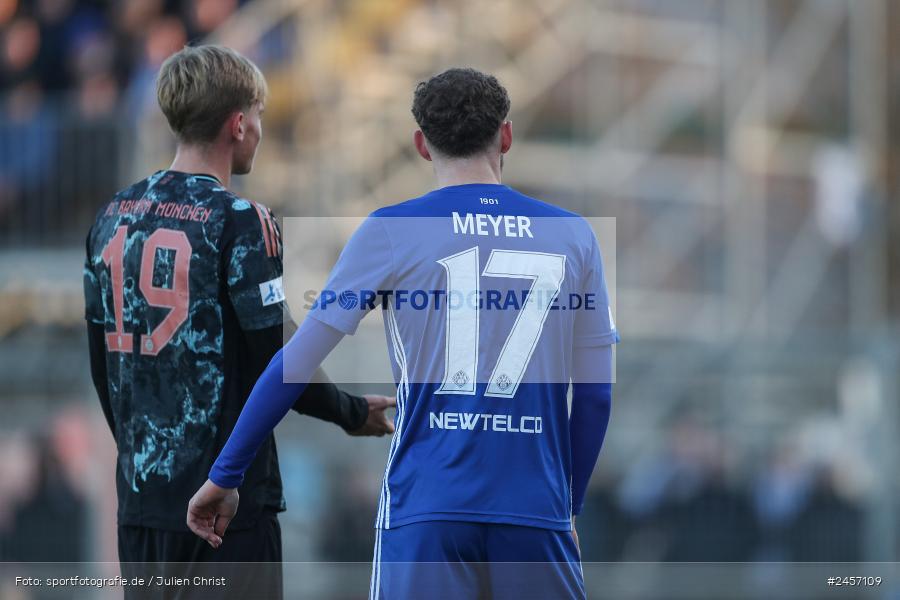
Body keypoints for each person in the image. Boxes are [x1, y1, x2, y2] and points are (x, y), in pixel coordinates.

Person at [187, 67, 617, 600]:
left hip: (427, 507)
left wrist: (226, 472)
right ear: (505, 136)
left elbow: (294, 363)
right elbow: (596, 396)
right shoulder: (573, 236)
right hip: (534, 511)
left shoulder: (389, 231)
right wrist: (567, 506)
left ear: (421, 145)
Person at [83, 45, 395, 600]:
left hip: (140, 500)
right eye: (260, 115)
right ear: (239, 122)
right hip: (222, 504)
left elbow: (100, 361)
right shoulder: (241, 220)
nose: (260, 128)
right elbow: (280, 356)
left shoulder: (113, 214)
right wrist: (348, 411)